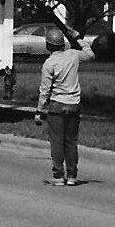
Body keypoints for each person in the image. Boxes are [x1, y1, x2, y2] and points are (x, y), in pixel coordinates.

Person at [36, 30, 85, 186]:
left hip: (57, 105)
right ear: (63, 44)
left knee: (57, 141)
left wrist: (39, 110)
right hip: (74, 104)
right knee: (71, 141)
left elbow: (45, 90)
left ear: (48, 45)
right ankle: (72, 176)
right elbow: (91, 55)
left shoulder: (49, 64)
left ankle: (58, 176)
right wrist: (79, 38)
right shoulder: (73, 55)